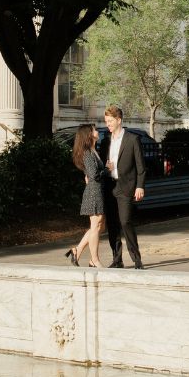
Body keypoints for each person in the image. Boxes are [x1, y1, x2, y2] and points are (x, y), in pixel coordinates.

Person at [97, 104, 147, 269]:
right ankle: (117, 259)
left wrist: (140, 187)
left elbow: (141, 167)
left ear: (119, 120)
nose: (108, 124)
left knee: (125, 221)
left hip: (126, 186)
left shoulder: (132, 139)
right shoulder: (106, 141)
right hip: (110, 186)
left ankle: (136, 259)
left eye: (110, 121)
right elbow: (102, 165)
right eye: (106, 121)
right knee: (112, 224)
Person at [65, 124, 107, 268]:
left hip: (98, 189)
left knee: (100, 226)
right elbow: (94, 175)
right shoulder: (87, 152)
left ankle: (77, 250)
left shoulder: (93, 150)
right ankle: (94, 260)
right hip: (94, 191)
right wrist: (107, 169)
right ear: (88, 135)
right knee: (96, 225)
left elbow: (91, 173)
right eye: (94, 130)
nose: (97, 131)